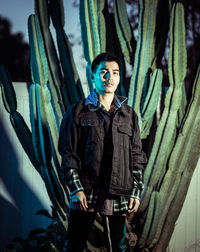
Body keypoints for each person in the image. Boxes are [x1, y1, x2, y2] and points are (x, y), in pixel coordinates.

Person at [58, 52, 147, 252]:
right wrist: (76, 188)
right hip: (86, 189)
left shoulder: (129, 115)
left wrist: (136, 191)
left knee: (119, 246)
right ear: (93, 76)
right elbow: (68, 153)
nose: (110, 78)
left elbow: (137, 156)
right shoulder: (78, 111)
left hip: (119, 190)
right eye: (104, 72)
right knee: (74, 244)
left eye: (115, 73)